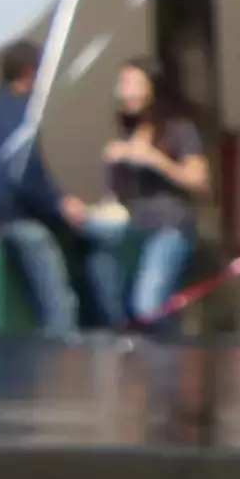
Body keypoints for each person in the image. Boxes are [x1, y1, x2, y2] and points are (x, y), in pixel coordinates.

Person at [0, 46, 78, 336]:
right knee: (56, 290)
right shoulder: (19, 112)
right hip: (14, 217)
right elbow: (25, 171)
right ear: (29, 74)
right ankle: (64, 339)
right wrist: (59, 203)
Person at [90, 60, 217, 331]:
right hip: (133, 226)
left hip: (169, 227)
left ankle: (166, 359)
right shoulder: (127, 132)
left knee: (148, 305)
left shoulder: (178, 129)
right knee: (100, 266)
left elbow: (199, 179)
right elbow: (117, 194)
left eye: (134, 85)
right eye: (123, 85)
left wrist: (154, 159)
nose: (126, 92)